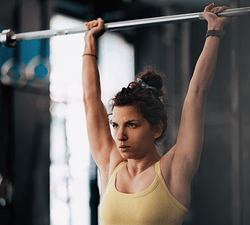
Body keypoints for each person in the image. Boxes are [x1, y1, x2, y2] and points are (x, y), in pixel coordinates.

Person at [82, 3, 231, 225]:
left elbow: (197, 93)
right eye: (115, 125)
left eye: (131, 125)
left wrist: (213, 32)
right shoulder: (111, 165)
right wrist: (89, 43)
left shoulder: (174, 170)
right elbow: (90, 100)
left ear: (156, 128)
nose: (120, 136)